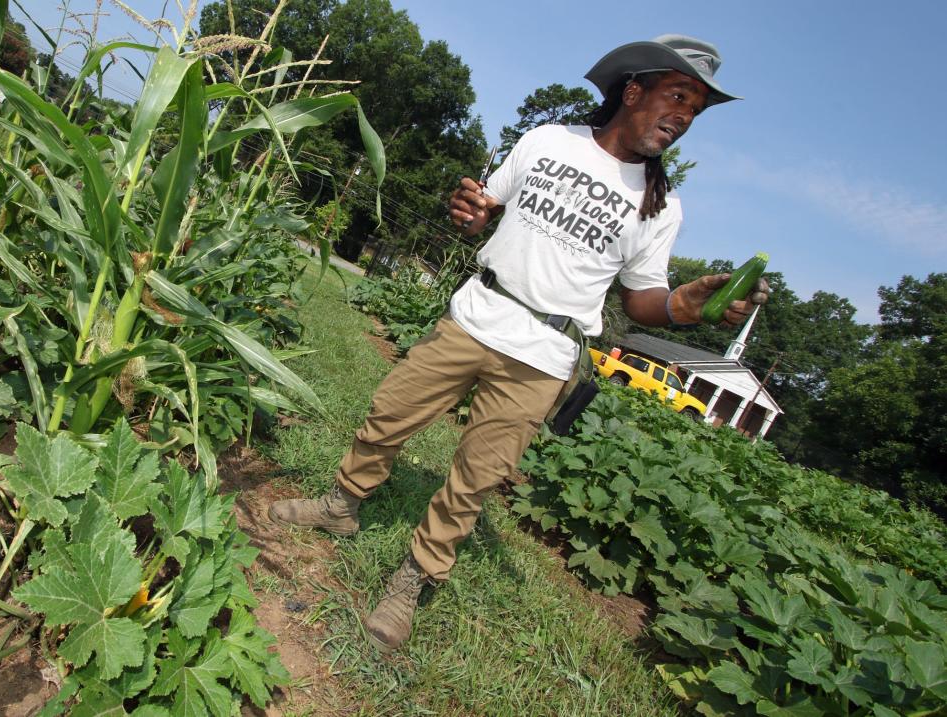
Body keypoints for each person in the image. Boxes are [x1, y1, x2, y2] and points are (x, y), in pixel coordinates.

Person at [267, 34, 769, 652]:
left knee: (474, 480)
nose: (683, 117)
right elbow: (486, 205)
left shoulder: (659, 207)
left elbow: (641, 300)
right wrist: (474, 215)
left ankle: (414, 577)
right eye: (677, 96)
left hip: (543, 358)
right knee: (386, 417)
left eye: (694, 111)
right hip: (477, 315)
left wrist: (682, 306)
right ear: (633, 91)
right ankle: (341, 505)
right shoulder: (549, 140)